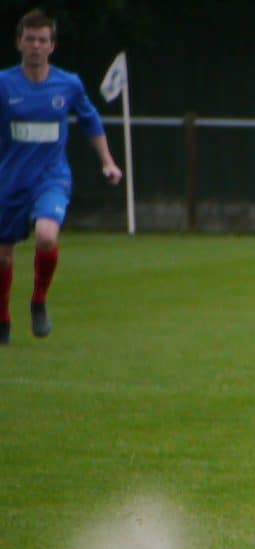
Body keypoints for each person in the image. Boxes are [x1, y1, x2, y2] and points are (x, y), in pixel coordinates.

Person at [0, 8, 122, 345]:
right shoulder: (4, 84)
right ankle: (3, 317)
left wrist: (108, 162)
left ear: (52, 45)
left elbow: (90, 120)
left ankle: (38, 301)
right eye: (30, 39)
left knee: (46, 236)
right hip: (10, 179)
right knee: (3, 257)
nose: (36, 46)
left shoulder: (68, 84)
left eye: (43, 40)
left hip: (51, 178)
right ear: (19, 43)